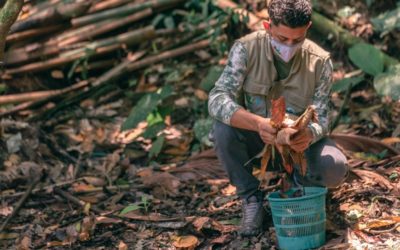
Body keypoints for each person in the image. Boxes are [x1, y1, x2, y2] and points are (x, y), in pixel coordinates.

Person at [208, 0, 349, 237]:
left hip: (298, 147)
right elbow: (217, 99)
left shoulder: (320, 62)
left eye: (298, 40)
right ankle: (251, 198)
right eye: (283, 39)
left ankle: (299, 188)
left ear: (308, 28)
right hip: (257, 140)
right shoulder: (246, 49)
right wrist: (257, 123)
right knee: (223, 129)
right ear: (267, 26)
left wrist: (309, 134)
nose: (290, 46)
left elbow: (323, 117)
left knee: (333, 166)